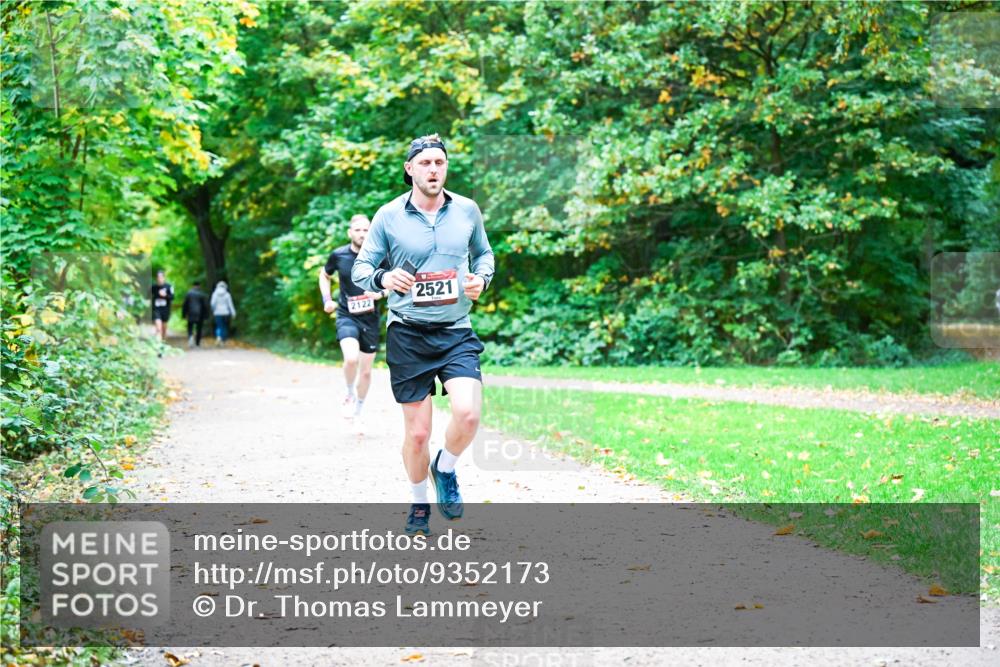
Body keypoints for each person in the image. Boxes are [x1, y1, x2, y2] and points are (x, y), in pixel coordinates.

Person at [352, 134, 494, 536]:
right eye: (426, 163)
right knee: (417, 433)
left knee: (468, 413)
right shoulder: (388, 216)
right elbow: (361, 269)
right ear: (410, 169)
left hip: (455, 331)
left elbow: (484, 254)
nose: (434, 169)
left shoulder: (466, 210)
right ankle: (418, 504)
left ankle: (444, 468)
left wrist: (481, 279)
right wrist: (384, 276)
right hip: (408, 333)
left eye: (440, 162)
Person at [318, 215, 391, 427]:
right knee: (351, 359)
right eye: (358, 230)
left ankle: (359, 408)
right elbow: (324, 275)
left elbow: (395, 281)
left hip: (370, 320)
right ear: (350, 233)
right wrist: (327, 300)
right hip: (346, 315)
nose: (362, 234)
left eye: (366, 230)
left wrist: (382, 294)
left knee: (366, 370)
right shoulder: (338, 255)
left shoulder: (380, 256)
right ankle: (349, 393)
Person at [150, 270, 174, 355]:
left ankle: (162, 345)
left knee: (164, 330)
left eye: (161, 277)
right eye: (158, 277)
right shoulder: (153, 287)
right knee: (158, 328)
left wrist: (165, 295)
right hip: (156, 310)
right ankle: (158, 348)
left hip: (165, 310)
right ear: (156, 278)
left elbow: (172, 297)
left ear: (164, 278)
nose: (159, 279)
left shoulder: (169, 286)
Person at [181, 281, 210, 348]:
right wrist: (206, 315)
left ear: (193, 286)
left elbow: (185, 305)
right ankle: (197, 343)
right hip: (200, 314)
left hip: (190, 313)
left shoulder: (189, 294)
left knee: (190, 327)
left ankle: (190, 336)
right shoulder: (202, 294)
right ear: (199, 286)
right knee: (199, 328)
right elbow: (205, 306)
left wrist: (184, 315)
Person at [210, 281, 236, 345]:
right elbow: (230, 304)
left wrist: (213, 310)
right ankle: (223, 340)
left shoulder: (215, 294)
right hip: (226, 313)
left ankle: (218, 336)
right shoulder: (227, 294)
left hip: (217, 313)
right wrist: (233, 313)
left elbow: (212, 303)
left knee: (219, 326)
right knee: (224, 326)